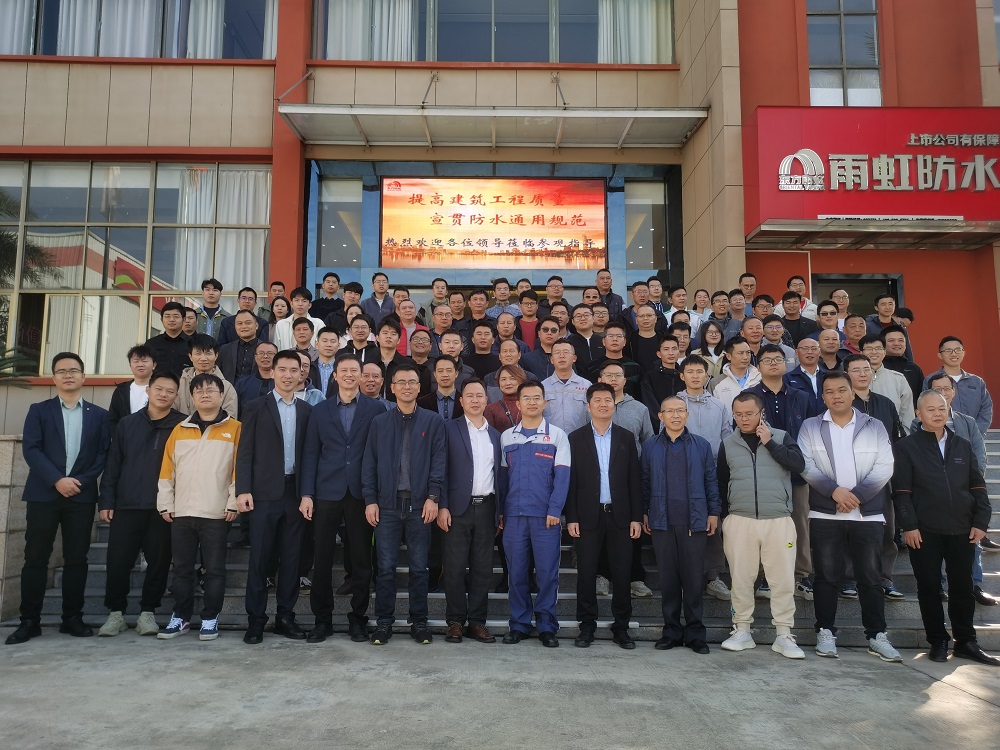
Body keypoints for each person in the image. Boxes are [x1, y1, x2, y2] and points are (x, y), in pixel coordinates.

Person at [6, 353, 111, 645]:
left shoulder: (99, 415)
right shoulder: (38, 410)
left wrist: (80, 482)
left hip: (81, 496)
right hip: (44, 494)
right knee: (35, 558)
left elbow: (102, 454)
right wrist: (57, 480)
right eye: (62, 371)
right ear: (53, 378)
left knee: (77, 559)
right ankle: (29, 621)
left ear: (83, 377)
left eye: (74, 370)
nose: (68, 375)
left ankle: (72, 618)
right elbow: (32, 449)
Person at [797, 371, 901, 662]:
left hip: (867, 515)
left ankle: (876, 635)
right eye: (829, 391)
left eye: (842, 390)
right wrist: (834, 492)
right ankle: (825, 631)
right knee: (826, 576)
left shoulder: (873, 425)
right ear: (823, 397)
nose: (836, 396)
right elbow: (805, 464)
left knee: (870, 577)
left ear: (852, 392)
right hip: (825, 513)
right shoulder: (810, 426)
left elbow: (885, 465)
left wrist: (857, 495)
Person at [893, 390, 999, 665]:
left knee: (963, 588)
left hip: (962, 529)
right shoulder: (906, 447)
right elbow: (901, 492)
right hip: (924, 531)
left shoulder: (961, 444)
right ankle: (938, 640)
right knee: (929, 587)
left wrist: (981, 521)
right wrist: (909, 526)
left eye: (941, 408)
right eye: (931, 410)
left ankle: (966, 642)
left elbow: (977, 486)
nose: (938, 413)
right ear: (919, 414)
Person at [299, 354, 386, 643]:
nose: (349, 375)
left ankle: (358, 619)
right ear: (334, 375)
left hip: (361, 493)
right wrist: (307, 494)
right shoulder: (320, 410)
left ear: (361, 376)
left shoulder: (376, 409)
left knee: (361, 560)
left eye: (354, 370)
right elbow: (310, 454)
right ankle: (322, 620)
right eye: (343, 370)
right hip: (326, 492)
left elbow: (379, 454)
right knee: (322, 558)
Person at [97, 370, 186, 638]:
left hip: (163, 507)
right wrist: (107, 499)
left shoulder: (182, 425)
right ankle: (116, 613)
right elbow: (114, 464)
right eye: (159, 389)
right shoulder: (127, 424)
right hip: (127, 504)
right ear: (148, 390)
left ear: (176, 396)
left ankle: (148, 612)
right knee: (118, 561)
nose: (163, 394)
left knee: (159, 562)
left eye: (170, 391)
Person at [717, 392, 806, 659]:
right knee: (741, 579)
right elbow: (722, 482)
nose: (744, 419)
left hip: (778, 520)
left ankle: (784, 634)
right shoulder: (728, 443)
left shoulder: (781, 437)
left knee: (782, 580)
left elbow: (798, 465)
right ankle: (742, 629)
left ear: (761, 413)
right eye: (738, 414)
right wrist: (725, 517)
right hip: (740, 520)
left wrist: (770, 443)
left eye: (749, 414)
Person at [363, 363, 446, 646]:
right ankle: (384, 622)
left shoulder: (433, 421)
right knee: (385, 567)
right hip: (386, 505)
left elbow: (439, 462)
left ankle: (419, 621)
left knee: (419, 567)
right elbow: (369, 464)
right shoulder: (380, 423)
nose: (407, 387)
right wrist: (370, 500)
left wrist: (433, 497)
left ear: (419, 387)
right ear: (392, 388)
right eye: (402, 382)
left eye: (412, 382)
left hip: (420, 505)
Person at [156, 373, 241, 641]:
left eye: (210, 390)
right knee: (182, 569)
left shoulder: (235, 428)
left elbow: (239, 470)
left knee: (214, 570)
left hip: (216, 512)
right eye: (199, 391)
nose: (205, 394)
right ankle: (180, 617)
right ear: (191, 397)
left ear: (221, 395)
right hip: (182, 512)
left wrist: (233, 502)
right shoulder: (179, 429)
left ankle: (209, 618)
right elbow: (167, 470)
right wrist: (165, 503)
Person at [236, 351, 312, 644]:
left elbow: (310, 456)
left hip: (295, 494)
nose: (288, 375)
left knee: (291, 559)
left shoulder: (307, 411)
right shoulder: (255, 406)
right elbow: (244, 452)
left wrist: (307, 493)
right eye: (283, 369)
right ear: (272, 372)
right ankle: (255, 620)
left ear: (301, 374)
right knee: (260, 559)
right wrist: (243, 489)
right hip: (263, 494)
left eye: (294, 370)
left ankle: (285, 617)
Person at [641, 395, 720, 654]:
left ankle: (695, 633)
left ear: (687, 414)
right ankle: (671, 631)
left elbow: (711, 480)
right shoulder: (650, 446)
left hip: (694, 520)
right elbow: (644, 482)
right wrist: (644, 512)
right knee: (668, 579)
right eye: (669, 411)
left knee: (694, 580)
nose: (675, 415)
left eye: (680, 411)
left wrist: (713, 512)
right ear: (660, 416)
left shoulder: (701, 445)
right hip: (662, 521)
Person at [567, 383, 643, 649]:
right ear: (588, 406)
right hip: (587, 517)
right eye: (597, 400)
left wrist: (636, 517)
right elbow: (571, 480)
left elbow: (634, 479)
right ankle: (586, 626)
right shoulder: (575, 438)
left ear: (614, 404)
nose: (603, 404)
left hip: (620, 516)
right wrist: (572, 517)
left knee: (622, 574)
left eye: (607, 400)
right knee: (586, 574)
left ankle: (621, 628)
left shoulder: (626, 437)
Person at [499, 380, 571, 648]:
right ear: (518, 404)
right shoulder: (507, 437)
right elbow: (503, 479)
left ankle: (546, 626)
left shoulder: (557, 436)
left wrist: (555, 510)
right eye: (526, 398)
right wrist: (501, 512)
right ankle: (519, 624)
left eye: (536, 397)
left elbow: (562, 477)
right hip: (514, 517)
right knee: (517, 573)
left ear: (544, 402)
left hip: (545, 518)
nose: (532, 402)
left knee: (547, 574)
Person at [749, 344, 819, 600]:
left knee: (799, 522)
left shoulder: (802, 396)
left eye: (778, 359)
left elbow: (812, 432)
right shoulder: (750, 396)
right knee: (766, 525)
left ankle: (801, 575)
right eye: (767, 360)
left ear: (786, 364)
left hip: (797, 470)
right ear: (759, 366)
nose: (773, 363)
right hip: (764, 471)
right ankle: (765, 577)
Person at [919, 373, 996, 598]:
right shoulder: (918, 424)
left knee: (973, 540)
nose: (943, 393)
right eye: (937, 389)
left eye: (947, 388)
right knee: (934, 543)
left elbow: (978, 454)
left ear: (954, 392)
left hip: (965, 493)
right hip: (933, 495)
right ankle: (940, 585)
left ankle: (974, 585)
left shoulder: (967, 422)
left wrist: (971, 482)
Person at [440, 379, 502, 644]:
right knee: (454, 567)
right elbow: (440, 470)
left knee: (482, 568)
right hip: (457, 509)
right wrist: (442, 505)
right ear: (461, 400)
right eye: (470, 396)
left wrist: (500, 512)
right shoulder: (448, 429)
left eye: (480, 395)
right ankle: (455, 621)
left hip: (487, 508)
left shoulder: (496, 435)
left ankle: (477, 622)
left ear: (486, 400)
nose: (475, 400)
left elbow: (500, 476)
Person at [676, 355, 733, 602]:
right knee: (680, 524)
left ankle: (713, 576)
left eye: (700, 371)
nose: (695, 376)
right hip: (679, 471)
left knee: (713, 522)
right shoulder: (674, 404)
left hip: (711, 472)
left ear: (707, 376)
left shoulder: (719, 406)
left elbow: (727, 438)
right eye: (690, 372)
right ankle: (683, 576)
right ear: (682, 376)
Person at [923, 335, 993, 435]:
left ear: (963, 353)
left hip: (974, 437)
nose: (953, 353)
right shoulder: (931, 380)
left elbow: (986, 410)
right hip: (943, 437)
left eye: (958, 350)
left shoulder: (977, 382)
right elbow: (926, 408)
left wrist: (974, 432)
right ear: (940, 355)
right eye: (948, 350)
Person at [859, 334, 915, 432]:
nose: (874, 352)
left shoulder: (898, 379)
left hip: (892, 435)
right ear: (861, 353)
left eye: (878, 348)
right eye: (869, 349)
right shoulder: (852, 379)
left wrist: (904, 437)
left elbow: (907, 414)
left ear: (884, 352)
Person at [174, 334, 238, 418]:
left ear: (216, 356)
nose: (203, 358)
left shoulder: (227, 387)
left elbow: (230, 418)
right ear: (190, 356)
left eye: (208, 353)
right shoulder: (179, 385)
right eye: (198, 353)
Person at [541, 341, 591, 434]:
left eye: (566, 352)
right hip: (551, 439)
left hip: (580, 438)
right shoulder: (543, 387)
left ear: (574, 358)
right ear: (551, 359)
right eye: (557, 353)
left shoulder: (586, 385)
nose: (561, 356)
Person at [587, 321, 642, 398]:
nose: (615, 339)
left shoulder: (635, 367)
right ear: (603, 341)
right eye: (610, 336)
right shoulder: (592, 366)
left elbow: (638, 394)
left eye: (619, 336)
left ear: (624, 341)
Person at [108, 345, 155, 429]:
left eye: (144, 361)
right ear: (130, 365)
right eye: (136, 361)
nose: (140, 364)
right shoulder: (120, 391)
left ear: (154, 365)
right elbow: (113, 420)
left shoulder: (160, 390)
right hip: (125, 435)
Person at [640, 336, 684, 425]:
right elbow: (650, 406)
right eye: (666, 349)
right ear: (659, 354)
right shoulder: (649, 377)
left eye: (674, 349)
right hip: (659, 426)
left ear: (679, 352)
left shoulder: (684, 376)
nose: (671, 353)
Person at [712, 336, 762, 412]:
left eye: (748, 353)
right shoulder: (716, 383)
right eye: (740, 353)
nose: (745, 357)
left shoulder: (760, 378)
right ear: (729, 356)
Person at [145, 301, 191, 376]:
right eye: (167, 316)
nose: (172, 319)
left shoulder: (193, 343)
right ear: (161, 319)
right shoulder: (151, 344)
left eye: (176, 316)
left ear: (184, 319)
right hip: (157, 383)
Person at [882, 325, 924, 407]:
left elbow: (921, 396)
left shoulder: (914, 369)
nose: (896, 344)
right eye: (891, 340)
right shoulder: (878, 367)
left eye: (901, 340)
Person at [218, 310, 263, 385]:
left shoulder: (266, 349)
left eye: (248, 323)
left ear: (256, 325)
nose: (244, 326)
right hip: (230, 390)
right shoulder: (225, 349)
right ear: (235, 327)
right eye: (239, 323)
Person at [235, 341, 277, 416]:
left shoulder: (283, 383)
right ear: (255, 358)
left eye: (270, 353)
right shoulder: (243, 384)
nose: (265, 356)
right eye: (261, 353)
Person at [784, 337, 825, 412]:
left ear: (819, 352)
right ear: (797, 353)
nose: (810, 352)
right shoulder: (788, 378)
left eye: (814, 348)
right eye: (805, 348)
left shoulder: (828, 376)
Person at [419, 356, 465, 421]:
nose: (445, 374)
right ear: (435, 374)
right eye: (440, 371)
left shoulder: (465, 401)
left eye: (449, 370)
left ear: (456, 373)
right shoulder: (422, 403)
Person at [566, 304, 604, 374]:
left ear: (593, 318)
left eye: (586, 315)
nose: (583, 318)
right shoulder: (568, 343)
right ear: (573, 321)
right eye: (578, 316)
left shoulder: (603, 341)